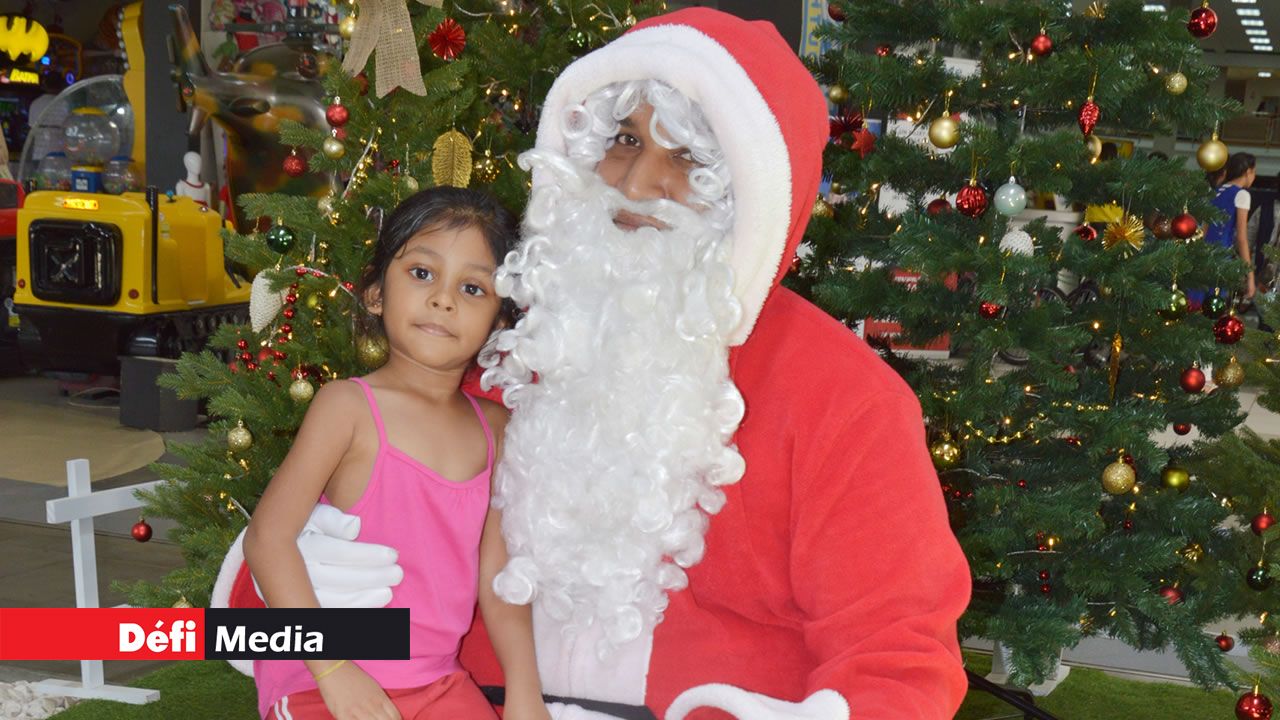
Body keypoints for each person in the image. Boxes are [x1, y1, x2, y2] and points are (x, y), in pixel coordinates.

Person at [216, 8, 971, 719]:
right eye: (625, 141)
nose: (640, 185)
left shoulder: (845, 399)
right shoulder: (502, 353)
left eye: (688, 157)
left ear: (753, 192)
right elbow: (282, 604)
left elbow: (898, 660)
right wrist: (299, 613)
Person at [241, 187, 550, 720]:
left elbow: (499, 582)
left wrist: (525, 694)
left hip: (435, 680)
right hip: (323, 678)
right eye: (423, 274)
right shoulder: (348, 408)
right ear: (376, 292)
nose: (443, 299)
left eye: (473, 287)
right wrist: (335, 671)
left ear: (499, 323)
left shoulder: (498, 430)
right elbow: (267, 539)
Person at [1205, 152, 1257, 300]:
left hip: (1202, 255)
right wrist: (1250, 276)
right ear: (1248, 172)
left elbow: (1205, 228)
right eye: (1254, 172)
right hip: (1221, 259)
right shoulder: (1242, 195)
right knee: (1214, 306)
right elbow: (1241, 238)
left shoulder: (1216, 191)